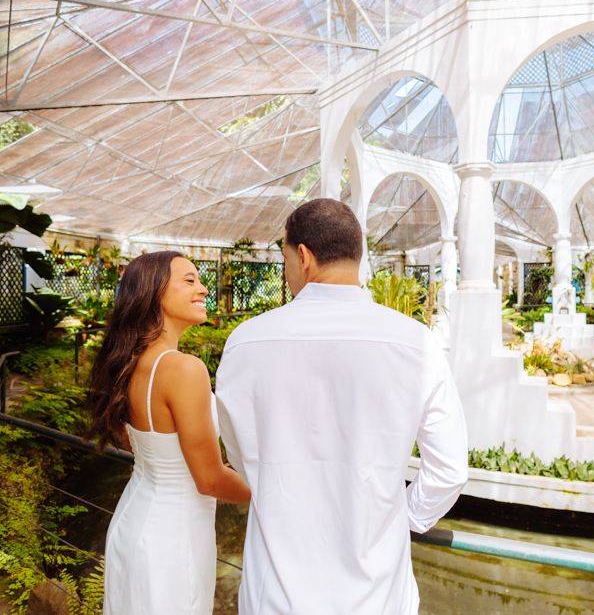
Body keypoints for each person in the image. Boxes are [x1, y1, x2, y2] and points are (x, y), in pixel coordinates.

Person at [215, 199, 469, 614]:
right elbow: (449, 470)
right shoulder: (416, 343)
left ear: (303, 256)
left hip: (275, 594)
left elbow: (242, 456)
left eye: (285, 259)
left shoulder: (246, 342)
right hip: (378, 593)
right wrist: (401, 518)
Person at [86, 251, 251, 615]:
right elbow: (209, 479)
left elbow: (142, 447)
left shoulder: (129, 361)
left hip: (133, 521)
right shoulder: (184, 369)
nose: (203, 289)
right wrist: (269, 495)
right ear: (153, 291)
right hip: (172, 540)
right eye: (190, 280)